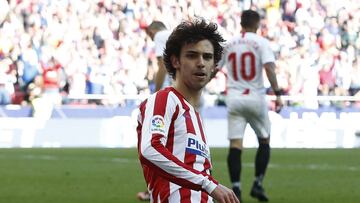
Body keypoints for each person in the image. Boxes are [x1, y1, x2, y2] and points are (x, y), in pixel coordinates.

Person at [137, 18, 239, 203]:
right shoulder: (164, 98)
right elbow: (150, 148)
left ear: (214, 66)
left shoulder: (194, 114)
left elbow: (199, 173)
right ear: (176, 61)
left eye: (207, 57)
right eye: (192, 55)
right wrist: (209, 184)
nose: (201, 63)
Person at [218, 10, 283, 202]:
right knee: (264, 140)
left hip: (234, 98)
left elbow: (215, 68)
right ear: (257, 24)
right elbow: (269, 68)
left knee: (235, 144)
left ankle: (236, 188)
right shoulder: (261, 42)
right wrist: (278, 93)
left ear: (241, 23)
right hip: (255, 97)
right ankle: (257, 183)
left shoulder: (229, 43)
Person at [137, 20, 172, 201]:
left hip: (172, 97)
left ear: (152, 30)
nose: (150, 38)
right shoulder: (174, 35)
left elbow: (163, 66)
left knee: (156, 143)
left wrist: (156, 95)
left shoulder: (160, 36)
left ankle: (154, 189)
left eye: (149, 34)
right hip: (188, 94)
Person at [145, 21, 172, 92]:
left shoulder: (159, 35)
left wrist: (156, 92)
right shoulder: (170, 34)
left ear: (151, 32)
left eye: (151, 37)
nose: (153, 40)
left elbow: (163, 66)